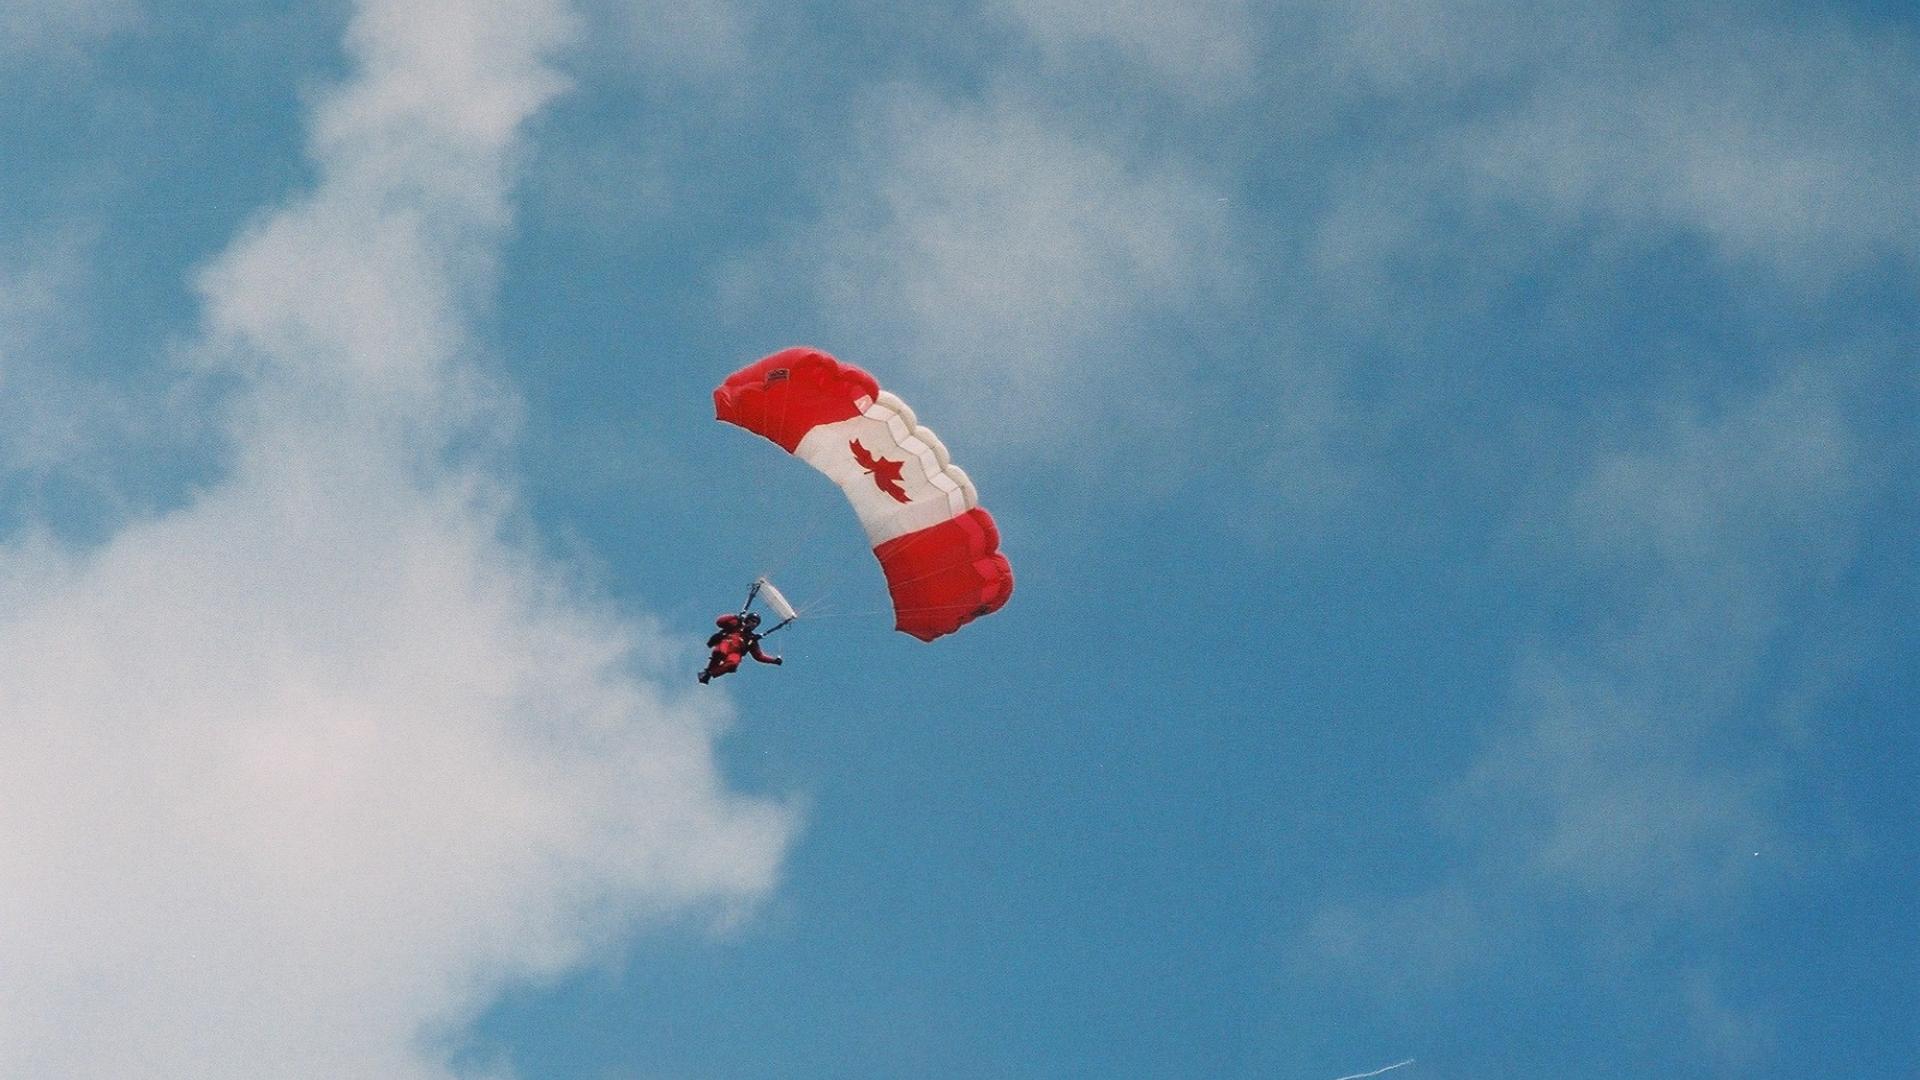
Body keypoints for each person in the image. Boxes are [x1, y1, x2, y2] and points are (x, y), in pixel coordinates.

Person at [699, 611, 782, 683]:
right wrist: (735, 617)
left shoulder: (751, 639)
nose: (754, 624)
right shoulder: (736, 625)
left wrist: (774, 660)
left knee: (733, 663)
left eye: (756, 623)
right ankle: (708, 670)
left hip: (735, 652)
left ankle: (710, 673)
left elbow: (759, 656)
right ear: (747, 620)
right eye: (752, 621)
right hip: (726, 644)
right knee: (720, 651)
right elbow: (719, 622)